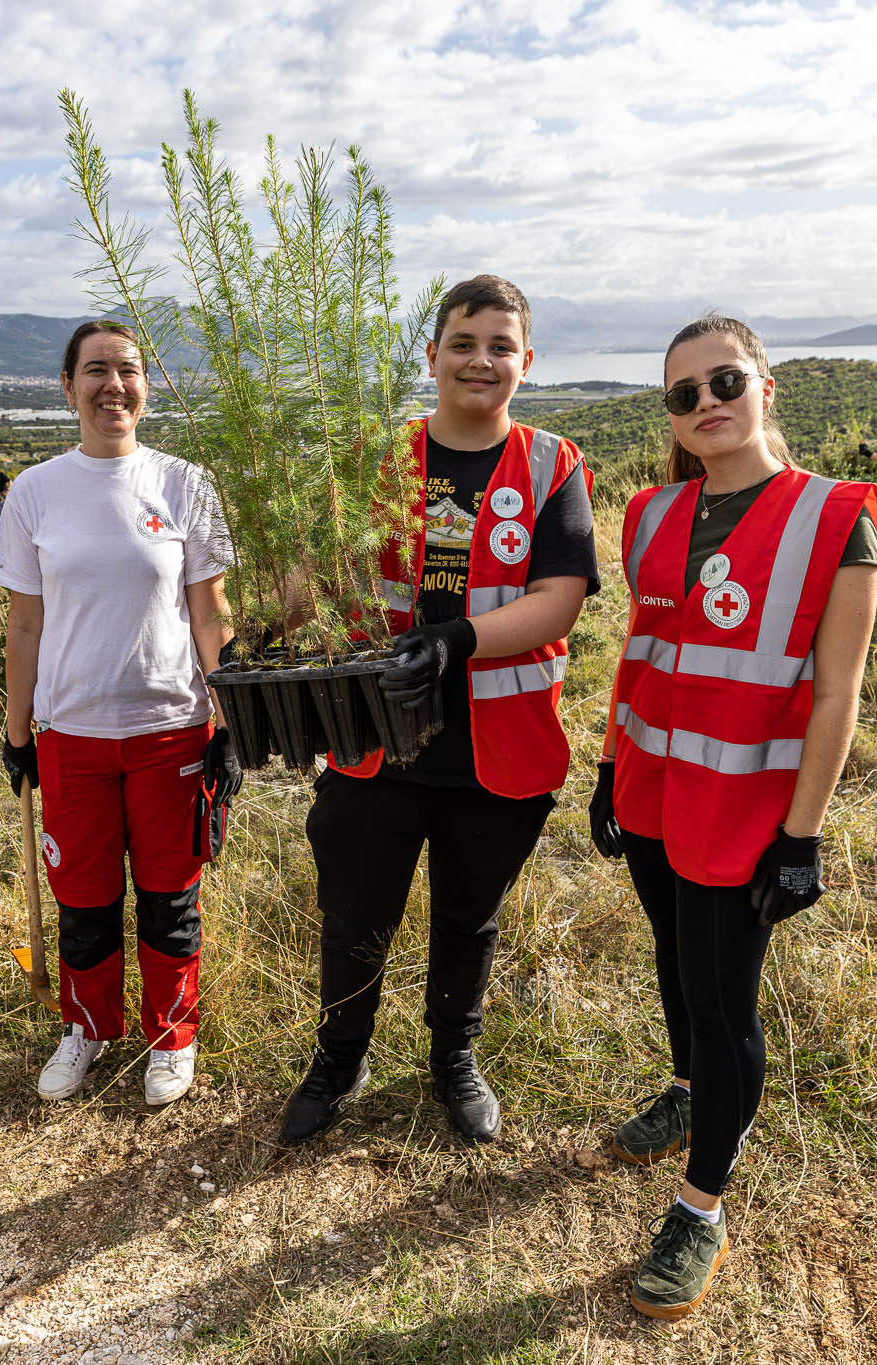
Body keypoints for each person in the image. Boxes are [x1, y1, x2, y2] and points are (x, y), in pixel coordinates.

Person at [591, 314, 877, 1320]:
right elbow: (644, 654)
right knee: (674, 970)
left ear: (764, 385)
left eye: (722, 382)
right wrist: (606, 767)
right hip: (654, 790)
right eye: (682, 394)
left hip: (745, 809)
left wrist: (800, 835)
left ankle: (700, 1205)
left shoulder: (833, 513)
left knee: (724, 1006)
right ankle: (686, 1094)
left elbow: (836, 693)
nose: (704, 404)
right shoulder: (650, 514)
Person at [280, 275, 597, 1149]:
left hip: (498, 752)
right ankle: (339, 1061)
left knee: (470, 917)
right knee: (353, 915)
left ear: (525, 362)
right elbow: (322, 578)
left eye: (501, 346)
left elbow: (560, 598)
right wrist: (265, 620)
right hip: (375, 743)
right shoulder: (376, 460)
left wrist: (455, 640)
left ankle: (454, 1060)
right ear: (432, 356)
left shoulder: (551, 464)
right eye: (464, 343)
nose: (481, 360)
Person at [0, 319, 238, 1107]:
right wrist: (17, 731)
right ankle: (88, 1027)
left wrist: (229, 723)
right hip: (73, 738)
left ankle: (173, 1036)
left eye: (127, 370)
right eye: (95, 370)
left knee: (170, 899)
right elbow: (24, 625)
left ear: (146, 386)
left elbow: (210, 614)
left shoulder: (187, 483)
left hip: (172, 731)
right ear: (68, 387)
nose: (112, 385)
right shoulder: (34, 492)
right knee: (84, 902)